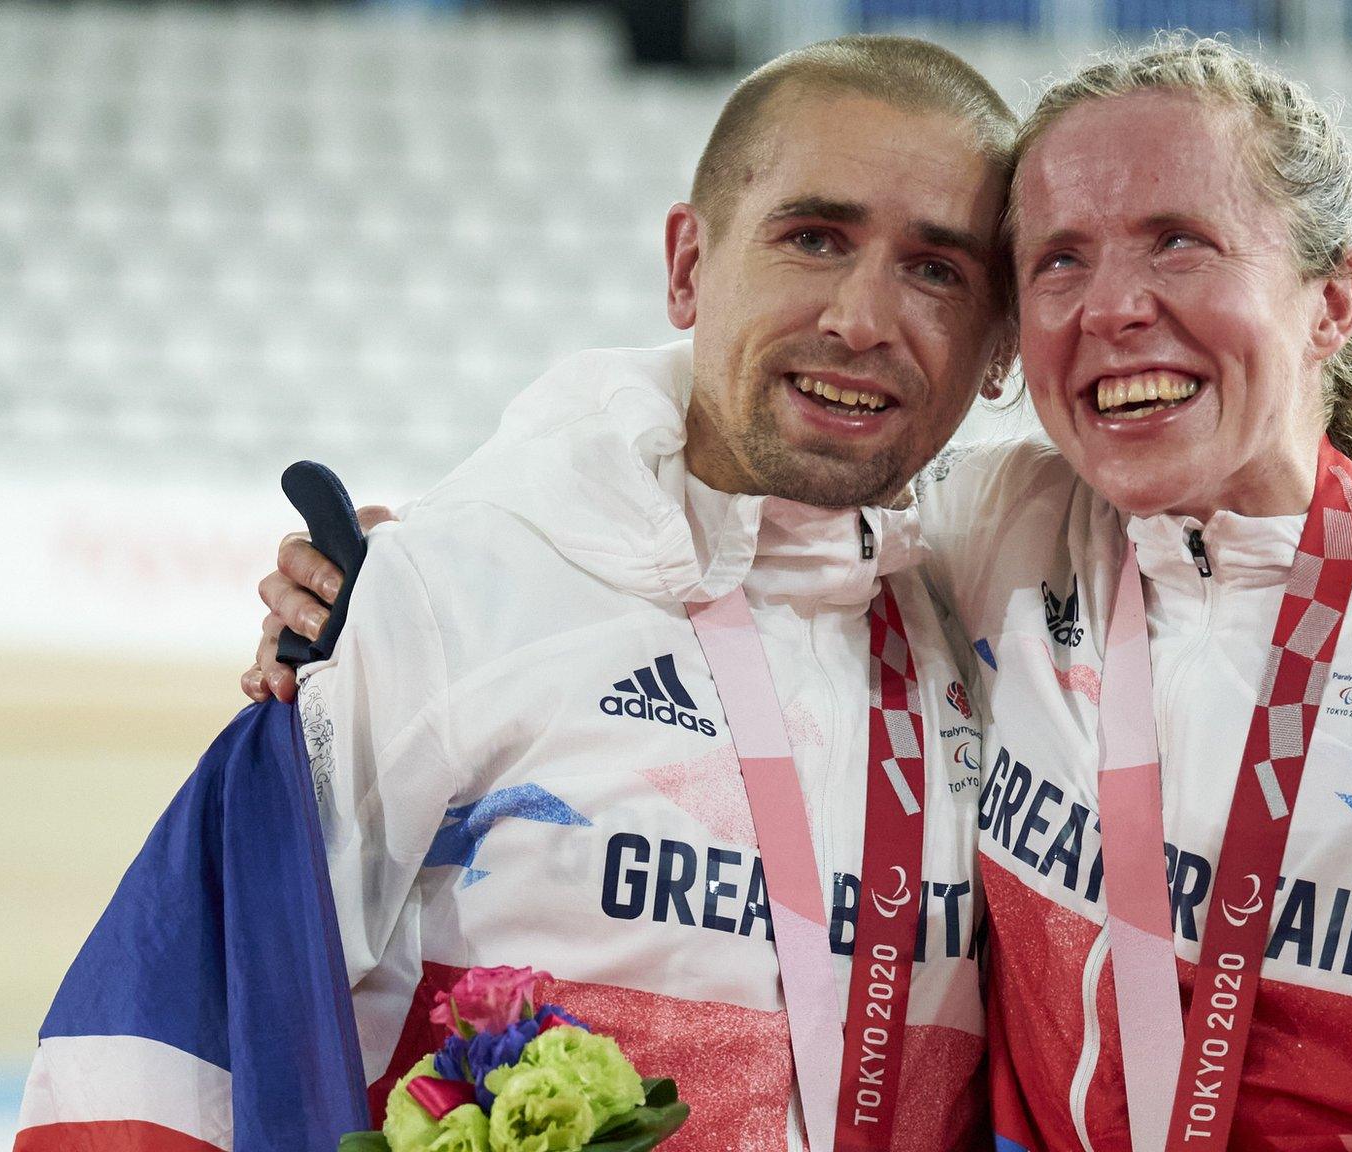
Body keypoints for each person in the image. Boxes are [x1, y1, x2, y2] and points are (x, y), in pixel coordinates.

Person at [247, 34, 1352, 1151]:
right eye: (1060, 260)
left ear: (1335, 297)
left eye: (1179, 241)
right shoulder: (991, 532)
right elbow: (718, 485)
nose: (1111, 307)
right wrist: (441, 565)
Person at [241, 33, 1014, 1152]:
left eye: (937, 269)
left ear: (998, 347)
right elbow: (230, 1033)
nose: (861, 317)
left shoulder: (1000, 624)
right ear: (688, 266)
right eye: (813, 238)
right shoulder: (453, 595)